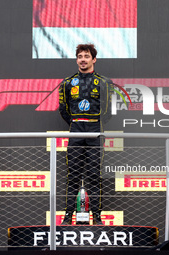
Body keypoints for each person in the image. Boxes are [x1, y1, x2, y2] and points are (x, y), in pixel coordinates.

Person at [58, 44, 113, 225]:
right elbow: (63, 110)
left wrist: (94, 124)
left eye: (86, 56)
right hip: (75, 132)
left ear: (93, 59)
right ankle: (68, 216)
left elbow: (108, 111)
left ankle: (96, 216)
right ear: (77, 60)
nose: (83, 59)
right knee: (72, 175)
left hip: (95, 131)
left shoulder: (104, 82)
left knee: (94, 175)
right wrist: (77, 124)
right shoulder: (67, 82)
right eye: (80, 56)